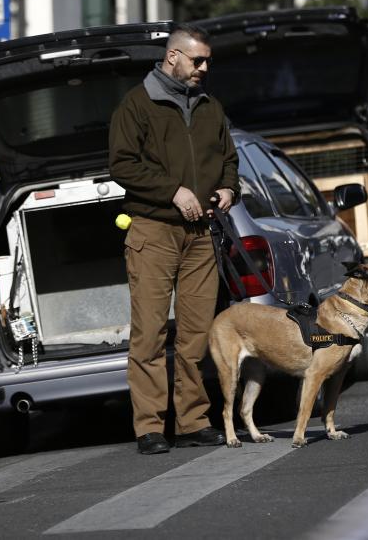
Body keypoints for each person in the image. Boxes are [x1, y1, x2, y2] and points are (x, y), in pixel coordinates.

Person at [108, 24, 239, 455]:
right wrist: (173, 191)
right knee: (148, 334)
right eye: (197, 60)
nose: (204, 68)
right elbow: (123, 166)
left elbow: (229, 158)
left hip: (201, 233)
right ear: (172, 57)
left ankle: (192, 421)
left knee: (197, 333)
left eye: (207, 61)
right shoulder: (136, 105)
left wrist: (228, 189)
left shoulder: (210, 107)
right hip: (153, 231)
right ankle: (149, 427)